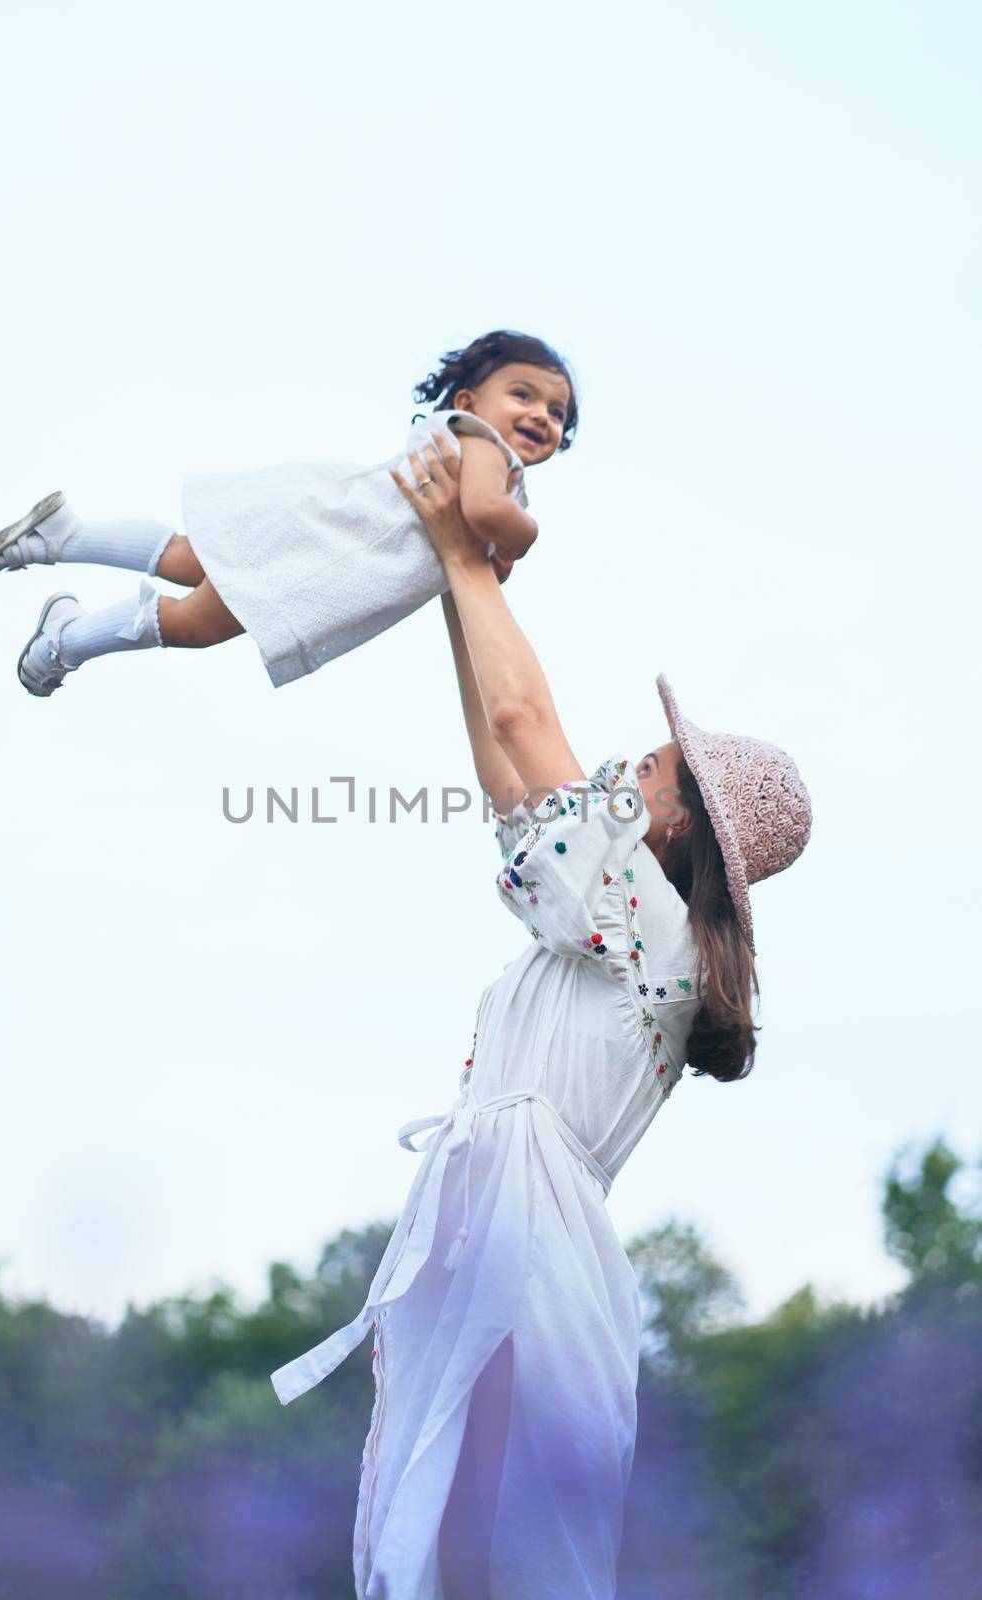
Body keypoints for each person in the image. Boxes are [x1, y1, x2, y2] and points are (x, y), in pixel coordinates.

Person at [269, 442, 813, 1598]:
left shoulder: (646, 919)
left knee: (480, 1528)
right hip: (518, 1211)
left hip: (531, 1224)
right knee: (455, 1518)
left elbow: (526, 714)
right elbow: (504, 767)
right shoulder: (624, 909)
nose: (627, 765)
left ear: (676, 834)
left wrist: (467, 558)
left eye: (654, 769)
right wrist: (458, 592)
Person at [0, 330, 577, 696]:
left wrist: (495, 551)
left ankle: (65, 536)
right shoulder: (484, 449)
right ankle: (67, 641)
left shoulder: (472, 451)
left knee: (190, 558)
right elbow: (483, 511)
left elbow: (478, 561)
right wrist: (526, 533)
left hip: (320, 527)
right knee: (196, 624)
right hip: (328, 555)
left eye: (556, 411)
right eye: (523, 395)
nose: (541, 416)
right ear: (471, 401)